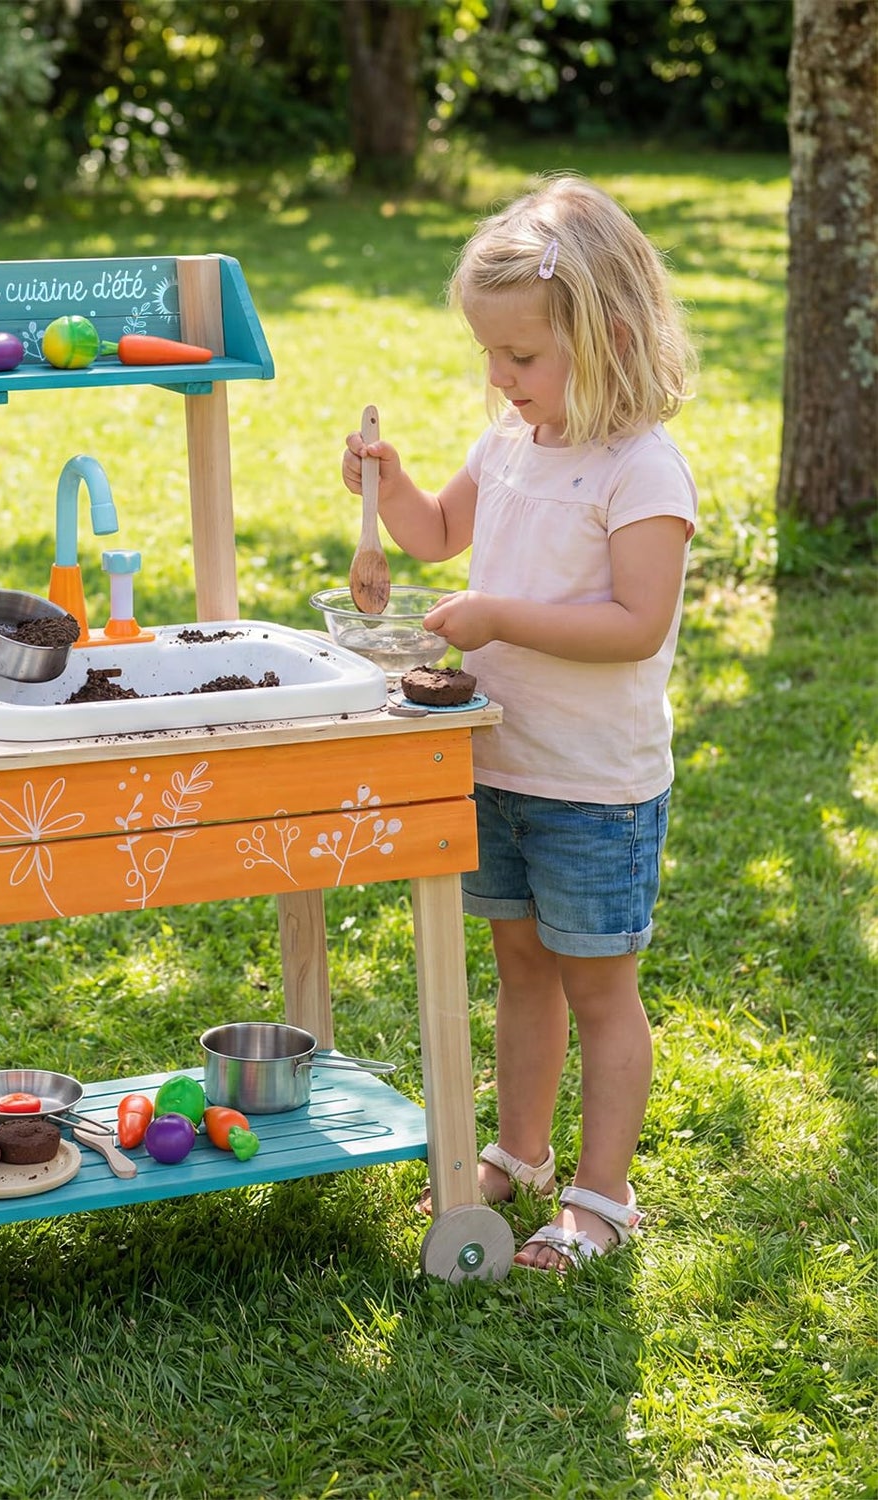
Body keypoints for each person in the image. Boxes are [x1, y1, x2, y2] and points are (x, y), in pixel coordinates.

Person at [342, 175, 697, 1270]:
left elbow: (637, 624)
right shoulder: (507, 441)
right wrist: (390, 488)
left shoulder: (643, 469)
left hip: (594, 785)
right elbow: (437, 532)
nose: (500, 376)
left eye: (523, 355)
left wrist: (500, 617)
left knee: (599, 988)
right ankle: (524, 1151)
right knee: (522, 968)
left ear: (611, 337)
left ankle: (603, 1195)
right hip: (498, 765)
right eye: (491, 354)